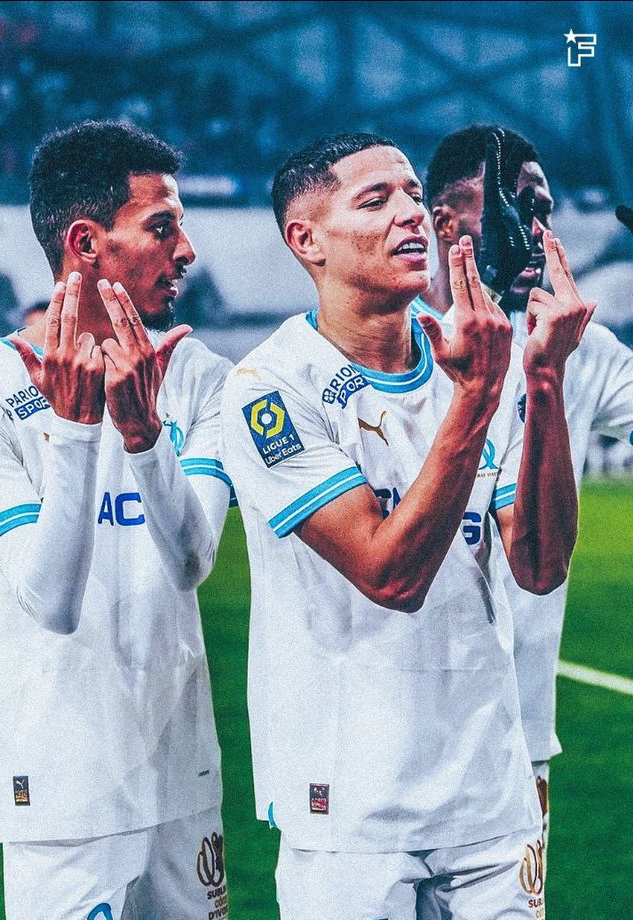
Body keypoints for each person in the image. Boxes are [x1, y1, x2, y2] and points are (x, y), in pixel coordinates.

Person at [220, 132, 593, 919]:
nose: (410, 216)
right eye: (375, 200)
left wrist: (545, 377)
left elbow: (538, 564)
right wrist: (475, 399)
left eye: (413, 197)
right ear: (305, 240)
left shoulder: (480, 357)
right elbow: (389, 574)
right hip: (349, 808)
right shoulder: (270, 387)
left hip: (489, 795)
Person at [0, 121, 232, 920]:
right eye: (162, 226)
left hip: (184, 775)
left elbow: (192, 558)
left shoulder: (196, 375)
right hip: (61, 792)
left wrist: (142, 439)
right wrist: (75, 430)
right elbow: (51, 602)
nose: (187, 250)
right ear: (86, 242)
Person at [422, 123, 633, 845]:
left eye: (544, 209)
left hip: (518, 733)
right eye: (517, 206)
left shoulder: (578, 348)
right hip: (377, 734)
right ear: (446, 221)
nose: (536, 228)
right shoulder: (384, 340)